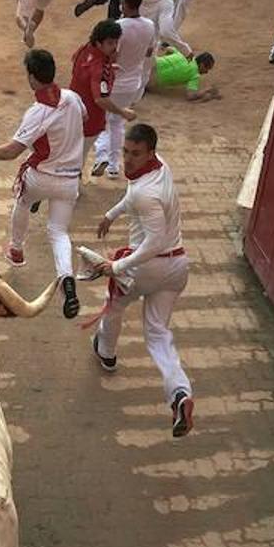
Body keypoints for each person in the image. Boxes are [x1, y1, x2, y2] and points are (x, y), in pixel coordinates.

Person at [0, 49, 87, 319]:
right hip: (70, 179)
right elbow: (83, 117)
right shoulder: (72, 97)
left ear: (32, 78)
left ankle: (16, 249)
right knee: (58, 231)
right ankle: (66, 277)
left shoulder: (37, 112)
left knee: (23, 201)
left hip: (41, 176)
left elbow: (11, 151)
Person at [87, 122, 194, 438]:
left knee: (115, 306)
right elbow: (131, 196)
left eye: (135, 154)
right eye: (125, 151)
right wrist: (111, 213)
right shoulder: (161, 169)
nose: (128, 159)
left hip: (147, 266)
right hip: (178, 266)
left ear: (150, 153)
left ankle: (106, 353)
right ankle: (180, 394)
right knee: (159, 334)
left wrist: (118, 266)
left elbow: (154, 242)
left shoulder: (147, 195)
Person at [91, 0, 155, 179]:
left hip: (114, 82)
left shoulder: (120, 27)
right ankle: (113, 166)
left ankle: (102, 155)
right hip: (133, 83)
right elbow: (149, 52)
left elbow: (111, 54)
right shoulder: (150, 25)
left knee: (100, 119)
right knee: (117, 123)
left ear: (124, 2)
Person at [71, 19, 138, 160]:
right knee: (77, 160)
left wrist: (109, 68)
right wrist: (122, 112)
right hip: (89, 120)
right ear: (98, 43)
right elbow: (100, 99)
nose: (114, 47)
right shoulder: (99, 68)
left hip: (72, 112)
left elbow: (75, 61)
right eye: (110, 43)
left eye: (115, 42)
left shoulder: (85, 49)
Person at [148, 48, 218, 101]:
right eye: (207, 68)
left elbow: (169, 49)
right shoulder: (195, 74)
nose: (206, 72)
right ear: (202, 65)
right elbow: (190, 96)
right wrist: (206, 90)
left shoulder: (184, 53)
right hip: (148, 80)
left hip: (149, 64)